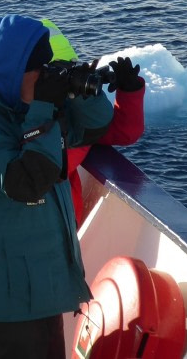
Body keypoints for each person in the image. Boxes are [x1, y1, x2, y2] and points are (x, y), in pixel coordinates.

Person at [0, 14, 114, 359]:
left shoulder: (21, 102)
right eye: (39, 69)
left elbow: (95, 127)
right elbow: (24, 183)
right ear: (13, 71)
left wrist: (78, 88)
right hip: (10, 290)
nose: (44, 76)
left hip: (42, 280)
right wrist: (42, 108)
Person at [42, 19, 146, 226]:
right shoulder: (15, 118)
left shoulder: (72, 112)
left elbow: (123, 133)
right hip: (41, 226)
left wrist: (129, 92)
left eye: (70, 70)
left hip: (65, 227)